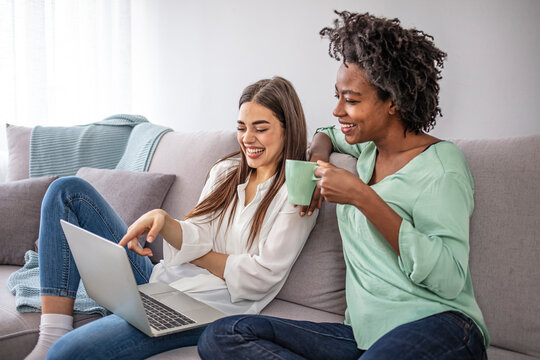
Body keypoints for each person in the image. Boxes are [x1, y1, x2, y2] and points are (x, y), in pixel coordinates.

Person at [198, 11, 489, 360]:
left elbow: (449, 278)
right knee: (223, 334)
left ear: (393, 102)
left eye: (351, 100)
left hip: (441, 325)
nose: (338, 109)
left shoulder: (442, 167)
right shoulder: (368, 147)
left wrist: (362, 197)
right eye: (337, 96)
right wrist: (316, 161)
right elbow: (326, 133)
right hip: (363, 334)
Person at [25, 76, 318, 360]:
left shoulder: (299, 194)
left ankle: (58, 344)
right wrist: (165, 221)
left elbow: (260, 277)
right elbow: (197, 232)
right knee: (67, 191)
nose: (247, 138)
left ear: (287, 129)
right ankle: (52, 331)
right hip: (159, 278)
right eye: (241, 127)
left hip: (205, 308)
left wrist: (197, 254)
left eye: (261, 128)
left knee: (67, 354)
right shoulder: (226, 171)